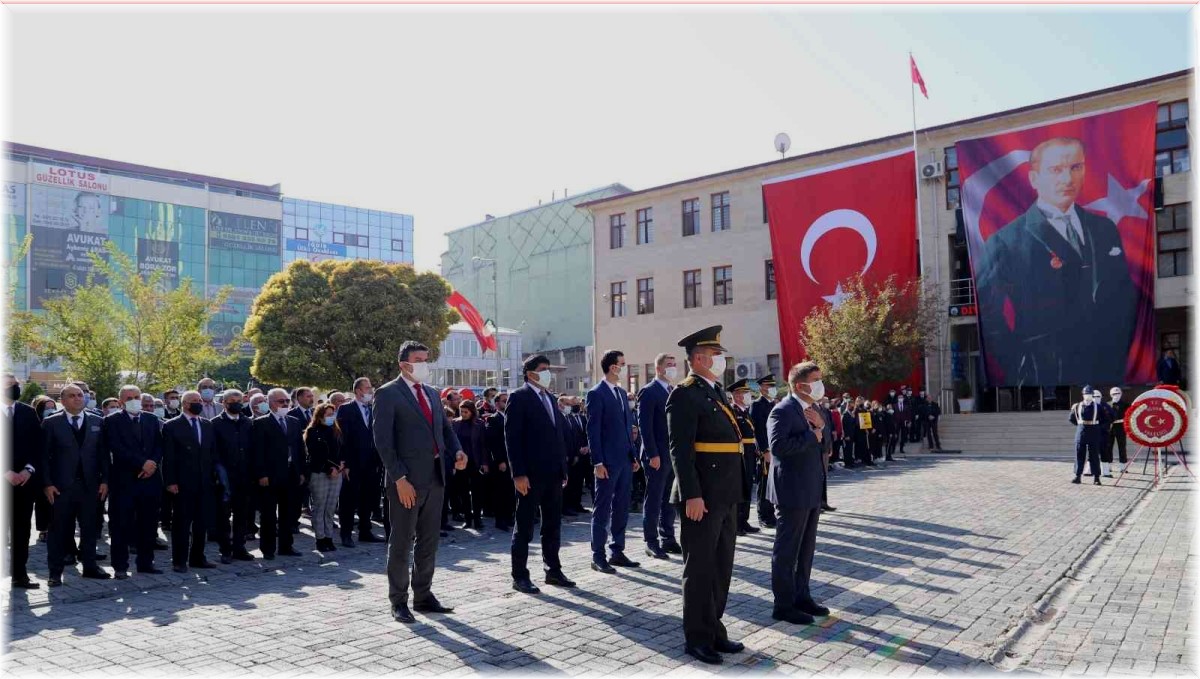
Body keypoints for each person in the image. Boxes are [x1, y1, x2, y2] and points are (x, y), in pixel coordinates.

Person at [975, 137, 1138, 387]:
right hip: (1045, 373)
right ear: (1034, 179)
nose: (1067, 179)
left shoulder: (1104, 228)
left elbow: (1123, 295)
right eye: (1056, 170)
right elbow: (989, 313)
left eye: (1076, 167)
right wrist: (1018, 363)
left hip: (1105, 368)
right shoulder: (1005, 241)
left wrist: (1116, 349)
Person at [667, 326, 746, 664]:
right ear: (698, 359)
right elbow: (680, 450)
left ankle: (715, 629)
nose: (721, 360)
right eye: (716, 355)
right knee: (699, 569)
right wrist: (691, 495)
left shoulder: (716, 393)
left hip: (725, 493)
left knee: (721, 567)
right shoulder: (684, 394)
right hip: (702, 496)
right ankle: (697, 638)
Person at [374, 341, 467, 622]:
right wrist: (399, 478)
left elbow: (444, 429)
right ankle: (398, 600)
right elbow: (383, 442)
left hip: (435, 478)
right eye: (419, 359)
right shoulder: (387, 393)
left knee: (429, 542)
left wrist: (458, 450)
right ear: (404, 364)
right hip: (407, 482)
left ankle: (423, 595)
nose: (425, 364)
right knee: (402, 542)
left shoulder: (431, 392)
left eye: (427, 359)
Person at [504, 354, 577, 594]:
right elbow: (512, 439)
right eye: (543, 369)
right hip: (530, 475)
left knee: (553, 525)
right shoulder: (519, 397)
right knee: (524, 526)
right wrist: (518, 474)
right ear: (530, 373)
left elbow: (557, 437)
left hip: (554, 474)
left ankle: (553, 570)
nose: (548, 374)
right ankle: (520, 575)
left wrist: (563, 469)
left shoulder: (550, 398)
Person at [767, 362, 831, 625]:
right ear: (800, 385)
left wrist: (822, 427)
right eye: (815, 380)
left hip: (812, 488)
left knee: (806, 549)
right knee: (787, 550)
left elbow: (824, 445)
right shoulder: (782, 411)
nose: (820, 385)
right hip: (791, 490)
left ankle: (802, 596)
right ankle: (783, 604)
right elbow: (778, 447)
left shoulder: (814, 409)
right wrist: (813, 434)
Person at [42, 384, 110, 585]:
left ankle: (90, 566)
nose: (77, 398)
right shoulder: (51, 423)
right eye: (72, 396)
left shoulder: (98, 421)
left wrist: (105, 480)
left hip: (90, 486)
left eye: (80, 395)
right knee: (58, 530)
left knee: (89, 528)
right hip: (61, 487)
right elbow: (43, 457)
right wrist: (47, 484)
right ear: (62, 400)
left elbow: (104, 455)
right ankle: (55, 572)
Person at [585, 349, 641, 574]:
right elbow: (593, 430)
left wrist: (633, 455)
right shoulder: (596, 393)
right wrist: (597, 461)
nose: (624, 368)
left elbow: (628, 429)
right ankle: (598, 555)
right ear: (612, 367)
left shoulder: (620, 392)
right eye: (622, 364)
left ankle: (617, 550)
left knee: (621, 507)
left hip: (625, 461)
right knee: (602, 508)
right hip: (607, 463)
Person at [104, 384, 165, 578]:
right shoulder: (111, 421)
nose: (134, 401)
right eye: (129, 398)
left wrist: (152, 463)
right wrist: (142, 463)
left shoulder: (152, 419)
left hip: (150, 480)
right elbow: (116, 447)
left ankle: (146, 563)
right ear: (121, 401)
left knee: (148, 524)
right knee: (121, 524)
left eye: (136, 396)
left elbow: (159, 445)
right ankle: (120, 566)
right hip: (124, 481)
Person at [162, 390, 217, 572]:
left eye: (200, 400)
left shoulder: (207, 425)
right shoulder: (172, 426)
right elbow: (169, 457)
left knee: (202, 523)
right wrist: (171, 481)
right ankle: (179, 560)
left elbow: (211, 454)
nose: (198, 403)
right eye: (195, 401)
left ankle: (198, 557)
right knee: (181, 524)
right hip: (182, 483)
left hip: (204, 482)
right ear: (185, 404)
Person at [251, 388, 305, 560]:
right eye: (280, 401)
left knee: (288, 513)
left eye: (287, 401)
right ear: (270, 402)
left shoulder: (294, 422)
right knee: (268, 514)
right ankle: (267, 548)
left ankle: (286, 546)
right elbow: (257, 451)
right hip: (270, 475)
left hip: (291, 473)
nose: (285, 404)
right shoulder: (261, 423)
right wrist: (261, 474)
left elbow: (299, 449)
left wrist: (302, 471)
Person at [637, 353, 680, 559]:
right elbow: (645, 428)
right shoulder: (649, 391)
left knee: (669, 499)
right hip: (656, 455)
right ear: (659, 369)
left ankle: (668, 538)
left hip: (672, 455)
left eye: (674, 364)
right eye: (669, 365)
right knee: (654, 498)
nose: (673, 368)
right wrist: (653, 454)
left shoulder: (672, 390)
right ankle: (651, 541)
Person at [5, 374, 44, 588]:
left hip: (24, 483)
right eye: (9, 385)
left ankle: (20, 574)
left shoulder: (27, 413)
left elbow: (38, 446)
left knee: (21, 530)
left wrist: (28, 470)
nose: (14, 388)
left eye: (16, 385)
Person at [337, 377, 384, 548]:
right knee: (349, 499)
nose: (370, 391)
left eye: (371, 388)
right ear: (358, 391)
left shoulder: (373, 409)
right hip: (353, 463)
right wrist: (345, 463)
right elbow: (342, 438)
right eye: (367, 388)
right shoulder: (345, 409)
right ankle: (346, 534)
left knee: (368, 497)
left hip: (372, 463)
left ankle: (365, 530)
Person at [211, 389, 255, 563]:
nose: (236, 403)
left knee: (242, 514)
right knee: (223, 515)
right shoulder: (215, 423)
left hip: (244, 475)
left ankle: (239, 547)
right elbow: (213, 451)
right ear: (224, 403)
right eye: (232, 401)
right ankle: (225, 549)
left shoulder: (247, 422)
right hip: (224, 477)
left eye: (239, 400)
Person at [304, 402, 345, 553]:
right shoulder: (313, 431)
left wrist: (342, 463)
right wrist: (329, 468)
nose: (331, 417)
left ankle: (329, 537)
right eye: (328, 414)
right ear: (320, 416)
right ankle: (320, 538)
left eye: (332, 414)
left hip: (337, 473)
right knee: (320, 506)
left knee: (331, 507)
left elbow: (341, 449)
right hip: (320, 472)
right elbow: (315, 453)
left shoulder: (336, 430)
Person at [727, 379, 760, 537]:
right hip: (740, 451)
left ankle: (744, 520)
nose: (748, 396)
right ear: (737, 395)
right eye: (745, 393)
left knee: (747, 486)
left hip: (750, 451)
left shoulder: (744, 411)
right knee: (740, 487)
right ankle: (737, 523)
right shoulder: (733, 411)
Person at [451, 399, 487, 530]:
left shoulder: (479, 424)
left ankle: (477, 519)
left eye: (466, 412)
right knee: (463, 492)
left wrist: (484, 462)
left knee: (477, 492)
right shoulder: (455, 423)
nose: (463, 414)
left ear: (472, 412)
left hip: (475, 462)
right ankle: (468, 519)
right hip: (461, 462)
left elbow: (483, 445)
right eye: (461, 412)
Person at [750, 375, 777, 529]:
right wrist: (764, 450)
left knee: (773, 484)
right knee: (764, 484)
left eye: (773, 385)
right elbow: (758, 430)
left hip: (776, 449)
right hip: (765, 451)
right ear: (761, 387)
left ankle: (772, 513)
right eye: (768, 385)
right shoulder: (757, 405)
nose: (771, 388)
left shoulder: (773, 404)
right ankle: (764, 516)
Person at [484, 391, 513, 531]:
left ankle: (508, 517)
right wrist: (500, 460)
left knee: (509, 491)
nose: (506, 402)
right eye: (503, 400)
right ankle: (500, 520)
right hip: (501, 462)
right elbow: (493, 443)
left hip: (511, 460)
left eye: (507, 400)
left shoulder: (510, 417)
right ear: (497, 404)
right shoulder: (493, 419)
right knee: (500, 492)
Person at [1069, 385, 1104, 486]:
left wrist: (1098, 427)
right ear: (1083, 395)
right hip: (1081, 432)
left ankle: (1096, 478)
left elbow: (1105, 419)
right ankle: (1078, 476)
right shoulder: (1077, 406)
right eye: (1085, 394)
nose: (1087, 396)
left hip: (1094, 432)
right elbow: (1071, 418)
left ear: (1092, 395)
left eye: (1089, 394)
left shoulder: (1098, 406)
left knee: (1094, 456)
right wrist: (1080, 425)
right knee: (1079, 454)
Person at [562, 397, 590, 516]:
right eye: (570, 404)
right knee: (569, 483)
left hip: (581, 454)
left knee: (578, 481)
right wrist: (575, 452)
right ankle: (567, 506)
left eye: (576, 404)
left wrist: (586, 447)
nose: (575, 406)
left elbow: (584, 435)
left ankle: (576, 504)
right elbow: (568, 439)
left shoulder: (580, 418)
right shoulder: (564, 419)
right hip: (571, 455)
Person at [1108, 387, 1128, 468]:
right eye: (1114, 394)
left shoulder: (1126, 405)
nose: (1116, 395)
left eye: (1118, 393)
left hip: (1120, 427)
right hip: (1110, 428)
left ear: (1121, 394)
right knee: (1108, 447)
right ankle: (1108, 465)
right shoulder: (1107, 404)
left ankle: (1122, 466)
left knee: (1122, 446)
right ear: (1110, 395)